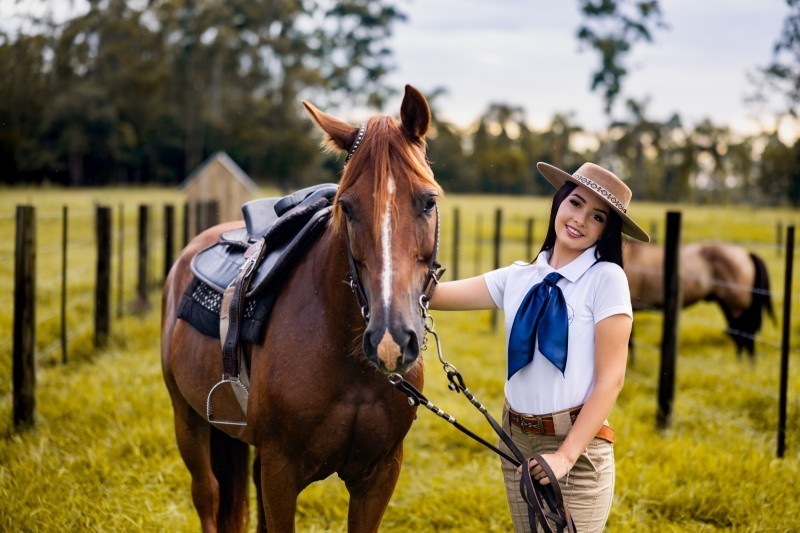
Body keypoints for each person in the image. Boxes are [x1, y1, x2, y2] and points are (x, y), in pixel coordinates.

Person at [428, 161, 649, 532]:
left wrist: (565, 456)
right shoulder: (518, 277)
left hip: (576, 450)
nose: (580, 220)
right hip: (517, 443)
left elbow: (611, 379)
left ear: (606, 230)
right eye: (575, 203)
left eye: (597, 217)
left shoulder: (606, 279)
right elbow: (432, 296)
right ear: (559, 201)